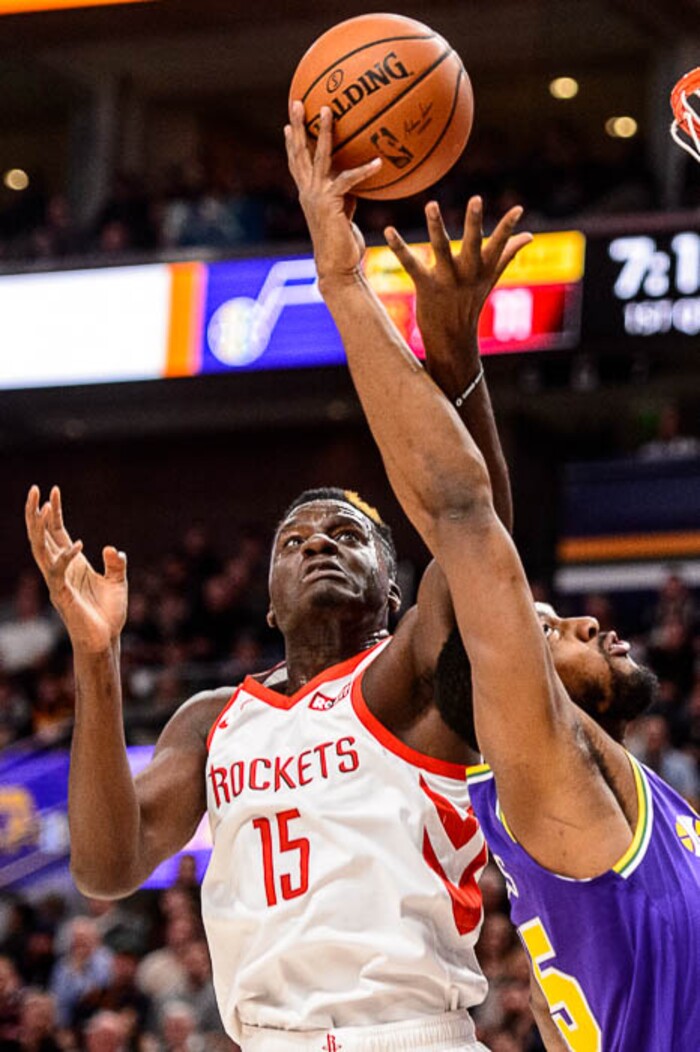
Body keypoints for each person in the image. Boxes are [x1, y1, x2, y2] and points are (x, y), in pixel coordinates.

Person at [25, 175, 532, 1048]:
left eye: (349, 534)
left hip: (408, 1033)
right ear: (266, 602)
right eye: (293, 541)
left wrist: (455, 359)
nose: (319, 545)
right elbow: (106, 867)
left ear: (393, 589)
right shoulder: (210, 719)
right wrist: (97, 660)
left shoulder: (407, 679)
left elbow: (476, 536)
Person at [285, 100, 700, 1051]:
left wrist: (458, 359)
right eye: (546, 629)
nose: (584, 623)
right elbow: (465, 520)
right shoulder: (540, 767)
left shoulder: (588, 800)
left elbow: (487, 539)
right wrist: (343, 278)